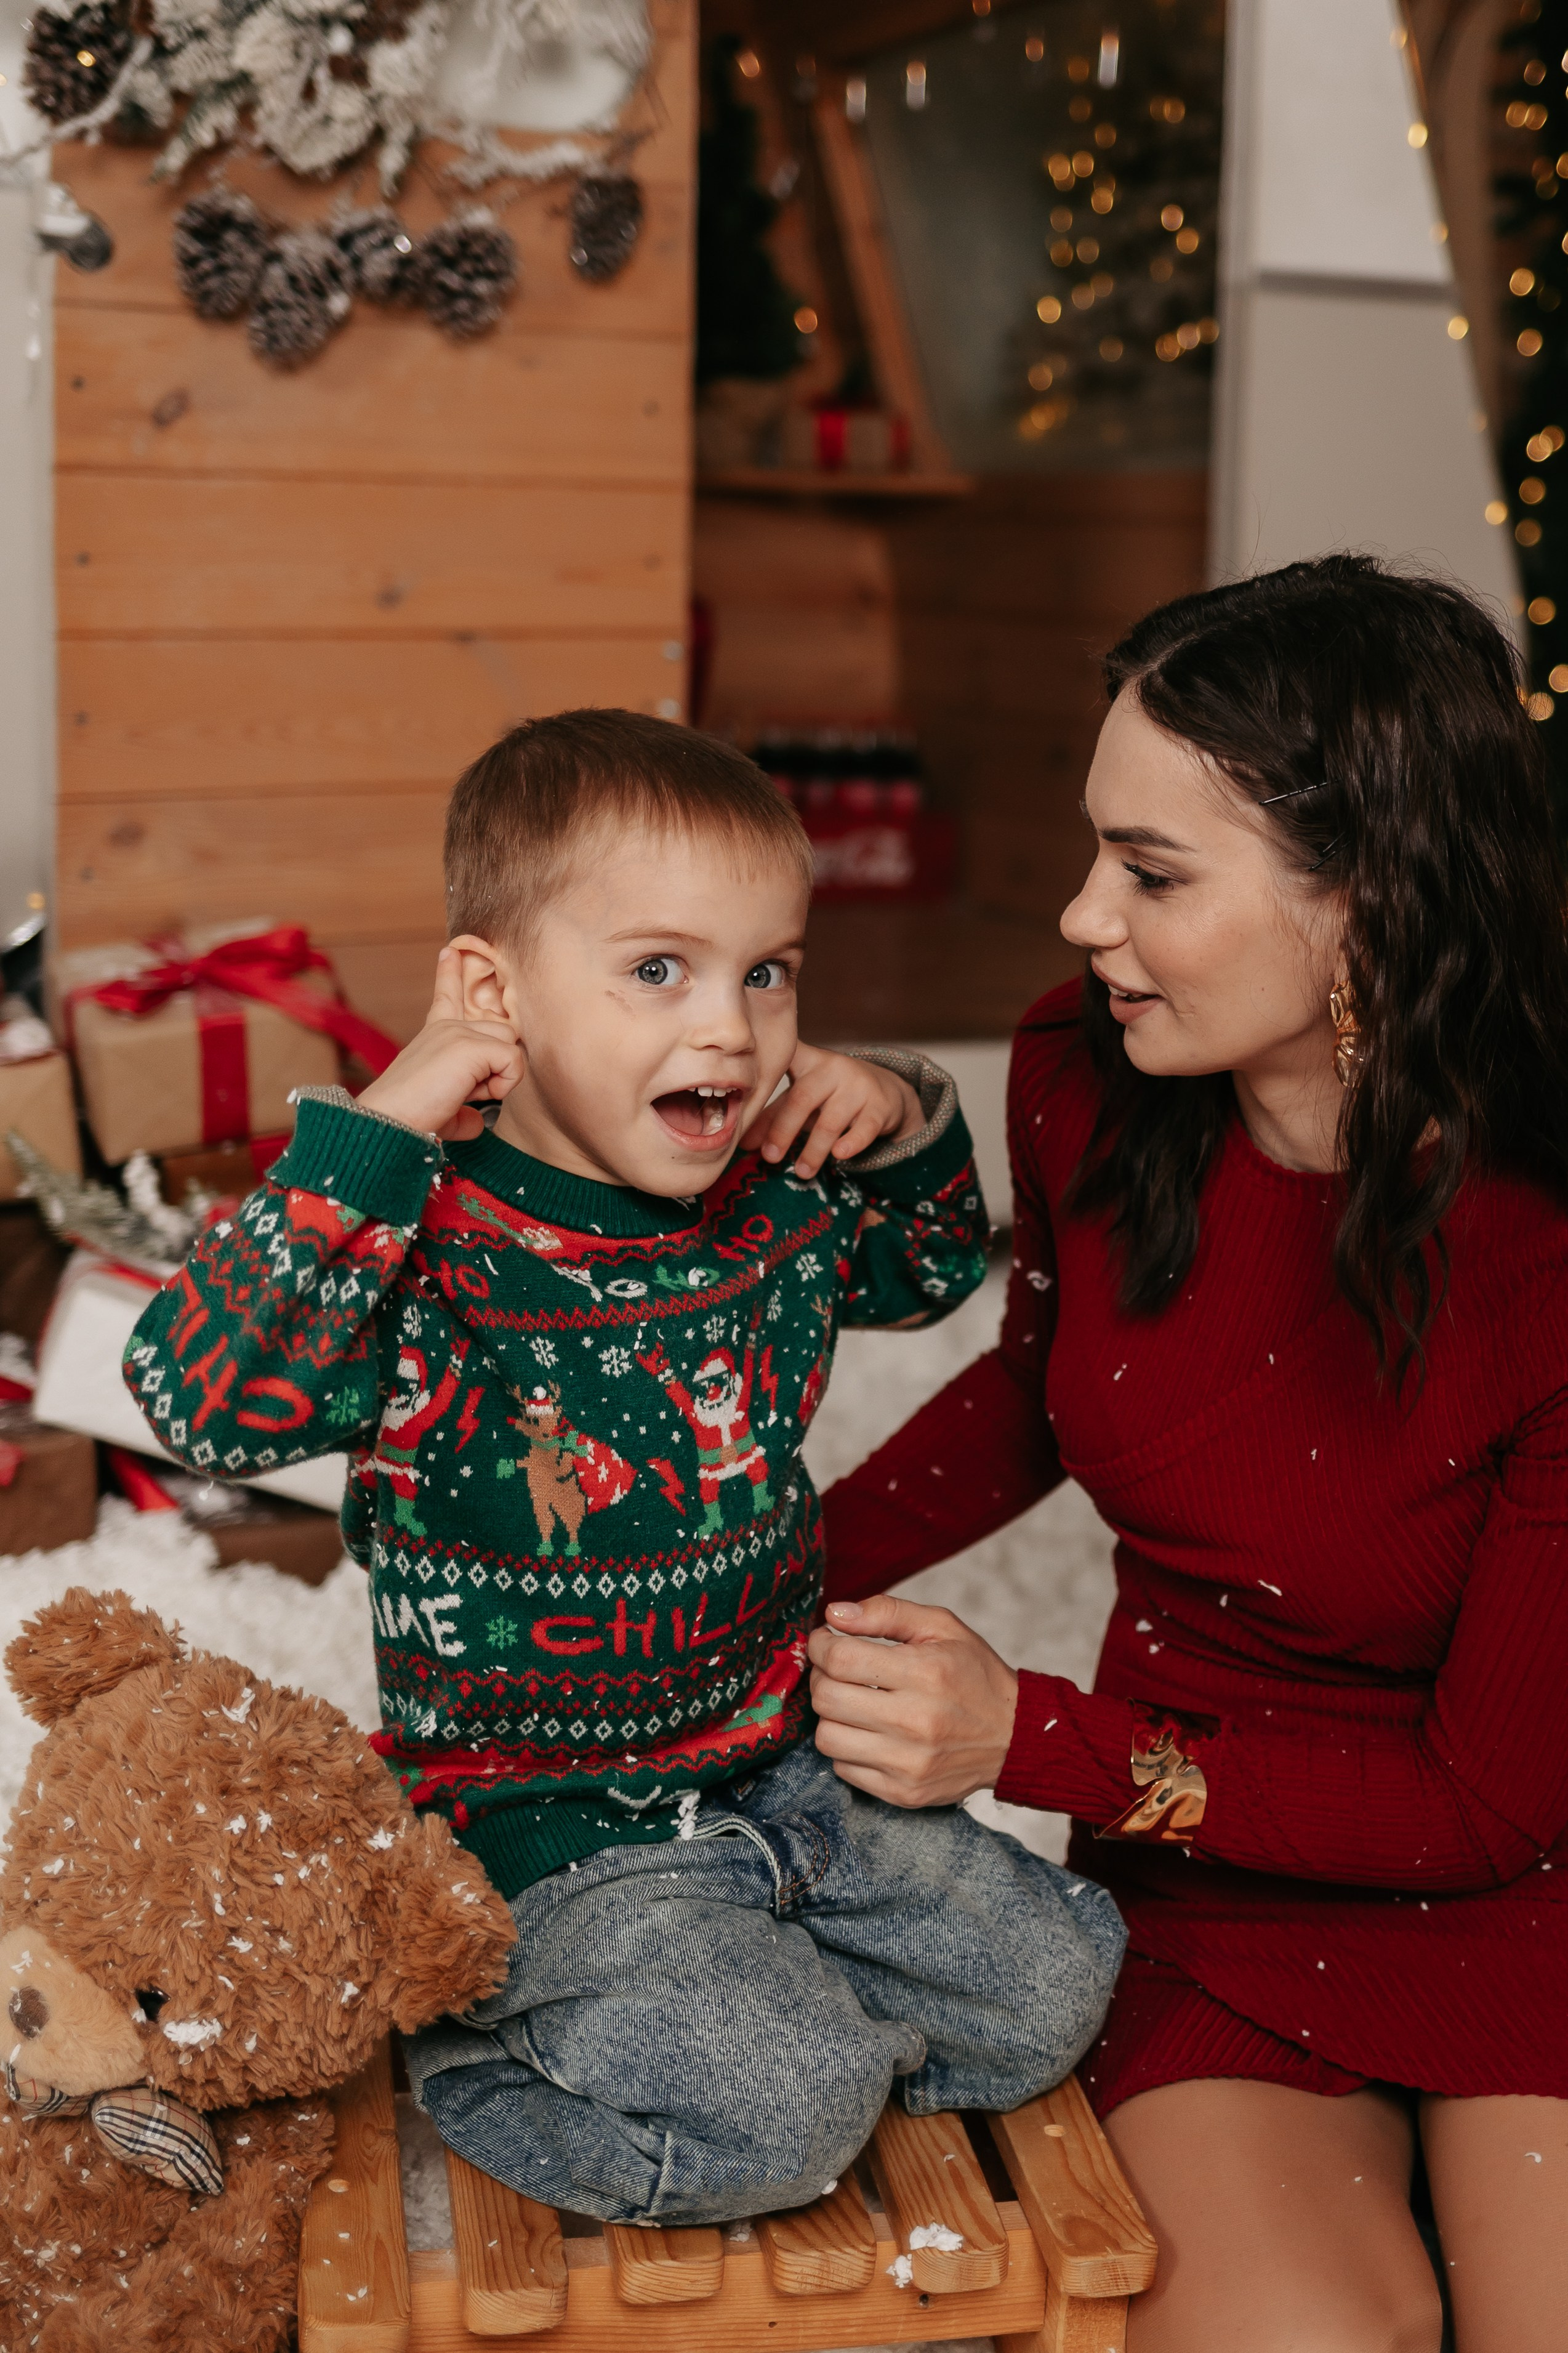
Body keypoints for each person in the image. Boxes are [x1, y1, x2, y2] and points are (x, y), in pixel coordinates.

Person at [123, 708, 1124, 2226]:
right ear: (492, 992)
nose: (728, 1026)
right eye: (659, 969)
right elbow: (206, 1407)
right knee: (792, 2111)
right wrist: (378, 1131)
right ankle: (477, 2048)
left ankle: (740, 1996)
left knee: (1054, 1985)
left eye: (766, 971)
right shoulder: (424, 1237)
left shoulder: (764, 1197)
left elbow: (927, 1276)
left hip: (784, 1763)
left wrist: (906, 1108)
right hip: (543, 1817)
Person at [810, 558, 1568, 2353]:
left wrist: (1033, 1737)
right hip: (1210, 1869)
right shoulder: (1082, 1070)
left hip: (1518, 1864)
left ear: (1369, 900)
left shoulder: (1542, 1252)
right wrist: (747, 1569)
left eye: (1150, 875)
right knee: (1295, 2335)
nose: (1080, 916)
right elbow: (1037, 1384)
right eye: (1097, 851)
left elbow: (1488, 1804)